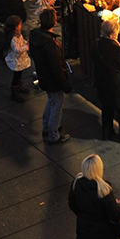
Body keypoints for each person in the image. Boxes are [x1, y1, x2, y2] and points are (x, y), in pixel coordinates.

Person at [29, 7, 71, 144]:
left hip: (44, 77)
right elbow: (57, 68)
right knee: (56, 106)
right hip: (53, 81)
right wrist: (65, 85)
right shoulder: (50, 45)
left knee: (51, 101)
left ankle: (47, 127)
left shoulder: (36, 38)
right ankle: (53, 135)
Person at [93, 17, 120, 142]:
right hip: (115, 84)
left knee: (106, 107)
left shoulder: (97, 43)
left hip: (101, 80)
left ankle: (107, 132)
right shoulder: (115, 48)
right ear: (112, 34)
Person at [3, 14, 30, 102]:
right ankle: (14, 93)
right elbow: (17, 49)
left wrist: (25, 43)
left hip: (19, 59)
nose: (21, 26)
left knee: (19, 75)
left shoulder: (18, 34)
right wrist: (26, 46)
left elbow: (21, 42)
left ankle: (19, 87)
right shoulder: (13, 38)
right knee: (16, 76)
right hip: (16, 61)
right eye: (20, 25)